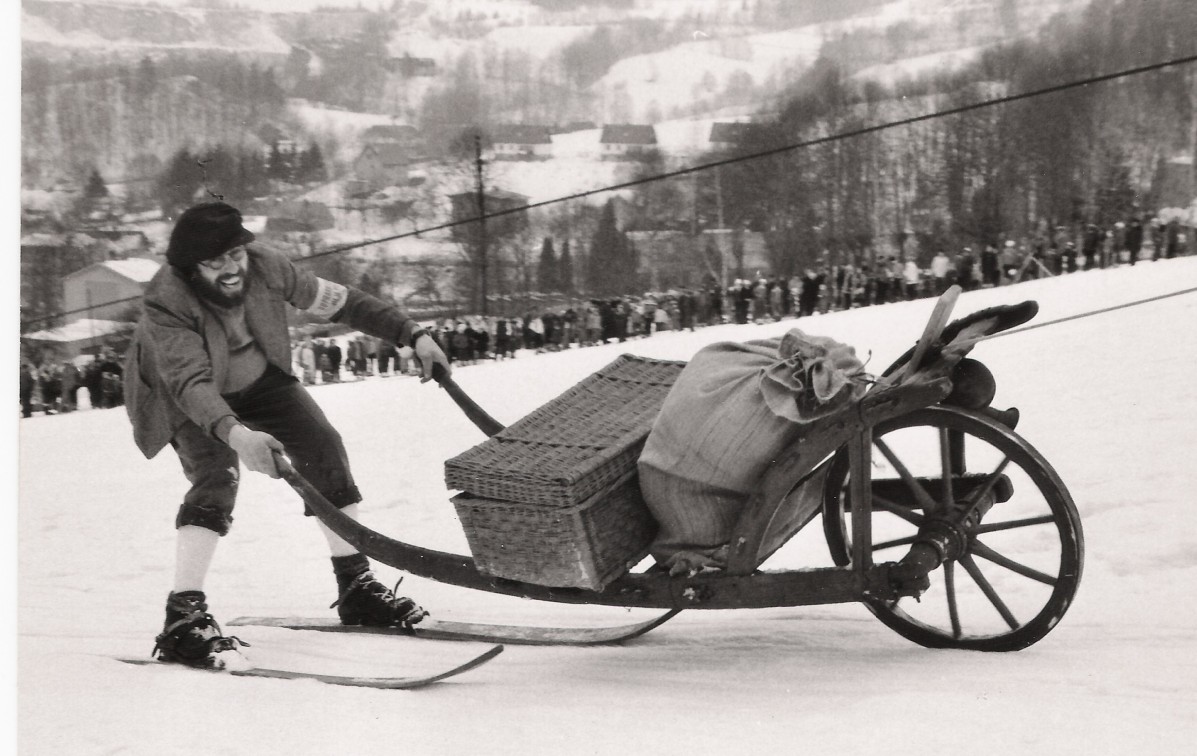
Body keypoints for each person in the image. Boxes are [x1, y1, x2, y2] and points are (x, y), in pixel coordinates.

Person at [123, 202, 452, 669]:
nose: (232, 269)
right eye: (215, 263)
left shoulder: (268, 265)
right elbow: (191, 384)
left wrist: (410, 333)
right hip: (187, 393)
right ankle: (183, 615)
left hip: (259, 379)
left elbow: (343, 301)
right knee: (217, 476)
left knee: (323, 448)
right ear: (189, 267)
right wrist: (239, 437)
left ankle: (356, 585)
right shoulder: (166, 300)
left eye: (236, 254)